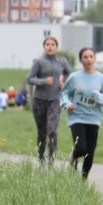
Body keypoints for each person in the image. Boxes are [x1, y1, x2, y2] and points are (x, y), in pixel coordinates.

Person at [60, 47, 103, 179]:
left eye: (91, 56)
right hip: (77, 117)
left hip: (94, 118)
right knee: (81, 149)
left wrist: (98, 96)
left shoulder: (101, 78)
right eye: (85, 57)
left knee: (90, 152)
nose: (89, 60)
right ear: (81, 60)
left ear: (95, 58)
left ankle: (83, 180)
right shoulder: (74, 77)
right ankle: (74, 159)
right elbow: (64, 93)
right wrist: (67, 104)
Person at [28, 36, 71, 165]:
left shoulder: (62, 61)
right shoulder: (39, 62)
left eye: (53, 44)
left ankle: (51, 159)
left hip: (55, 100)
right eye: (47, 44)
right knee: (42, 131)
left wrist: (63, 82)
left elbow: (68, 73)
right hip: (39, 100)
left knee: (52, 130)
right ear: (44, 47)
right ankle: (41, 158)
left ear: (56, 47)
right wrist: (43, 81)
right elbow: (30, 79)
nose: (50, 46)